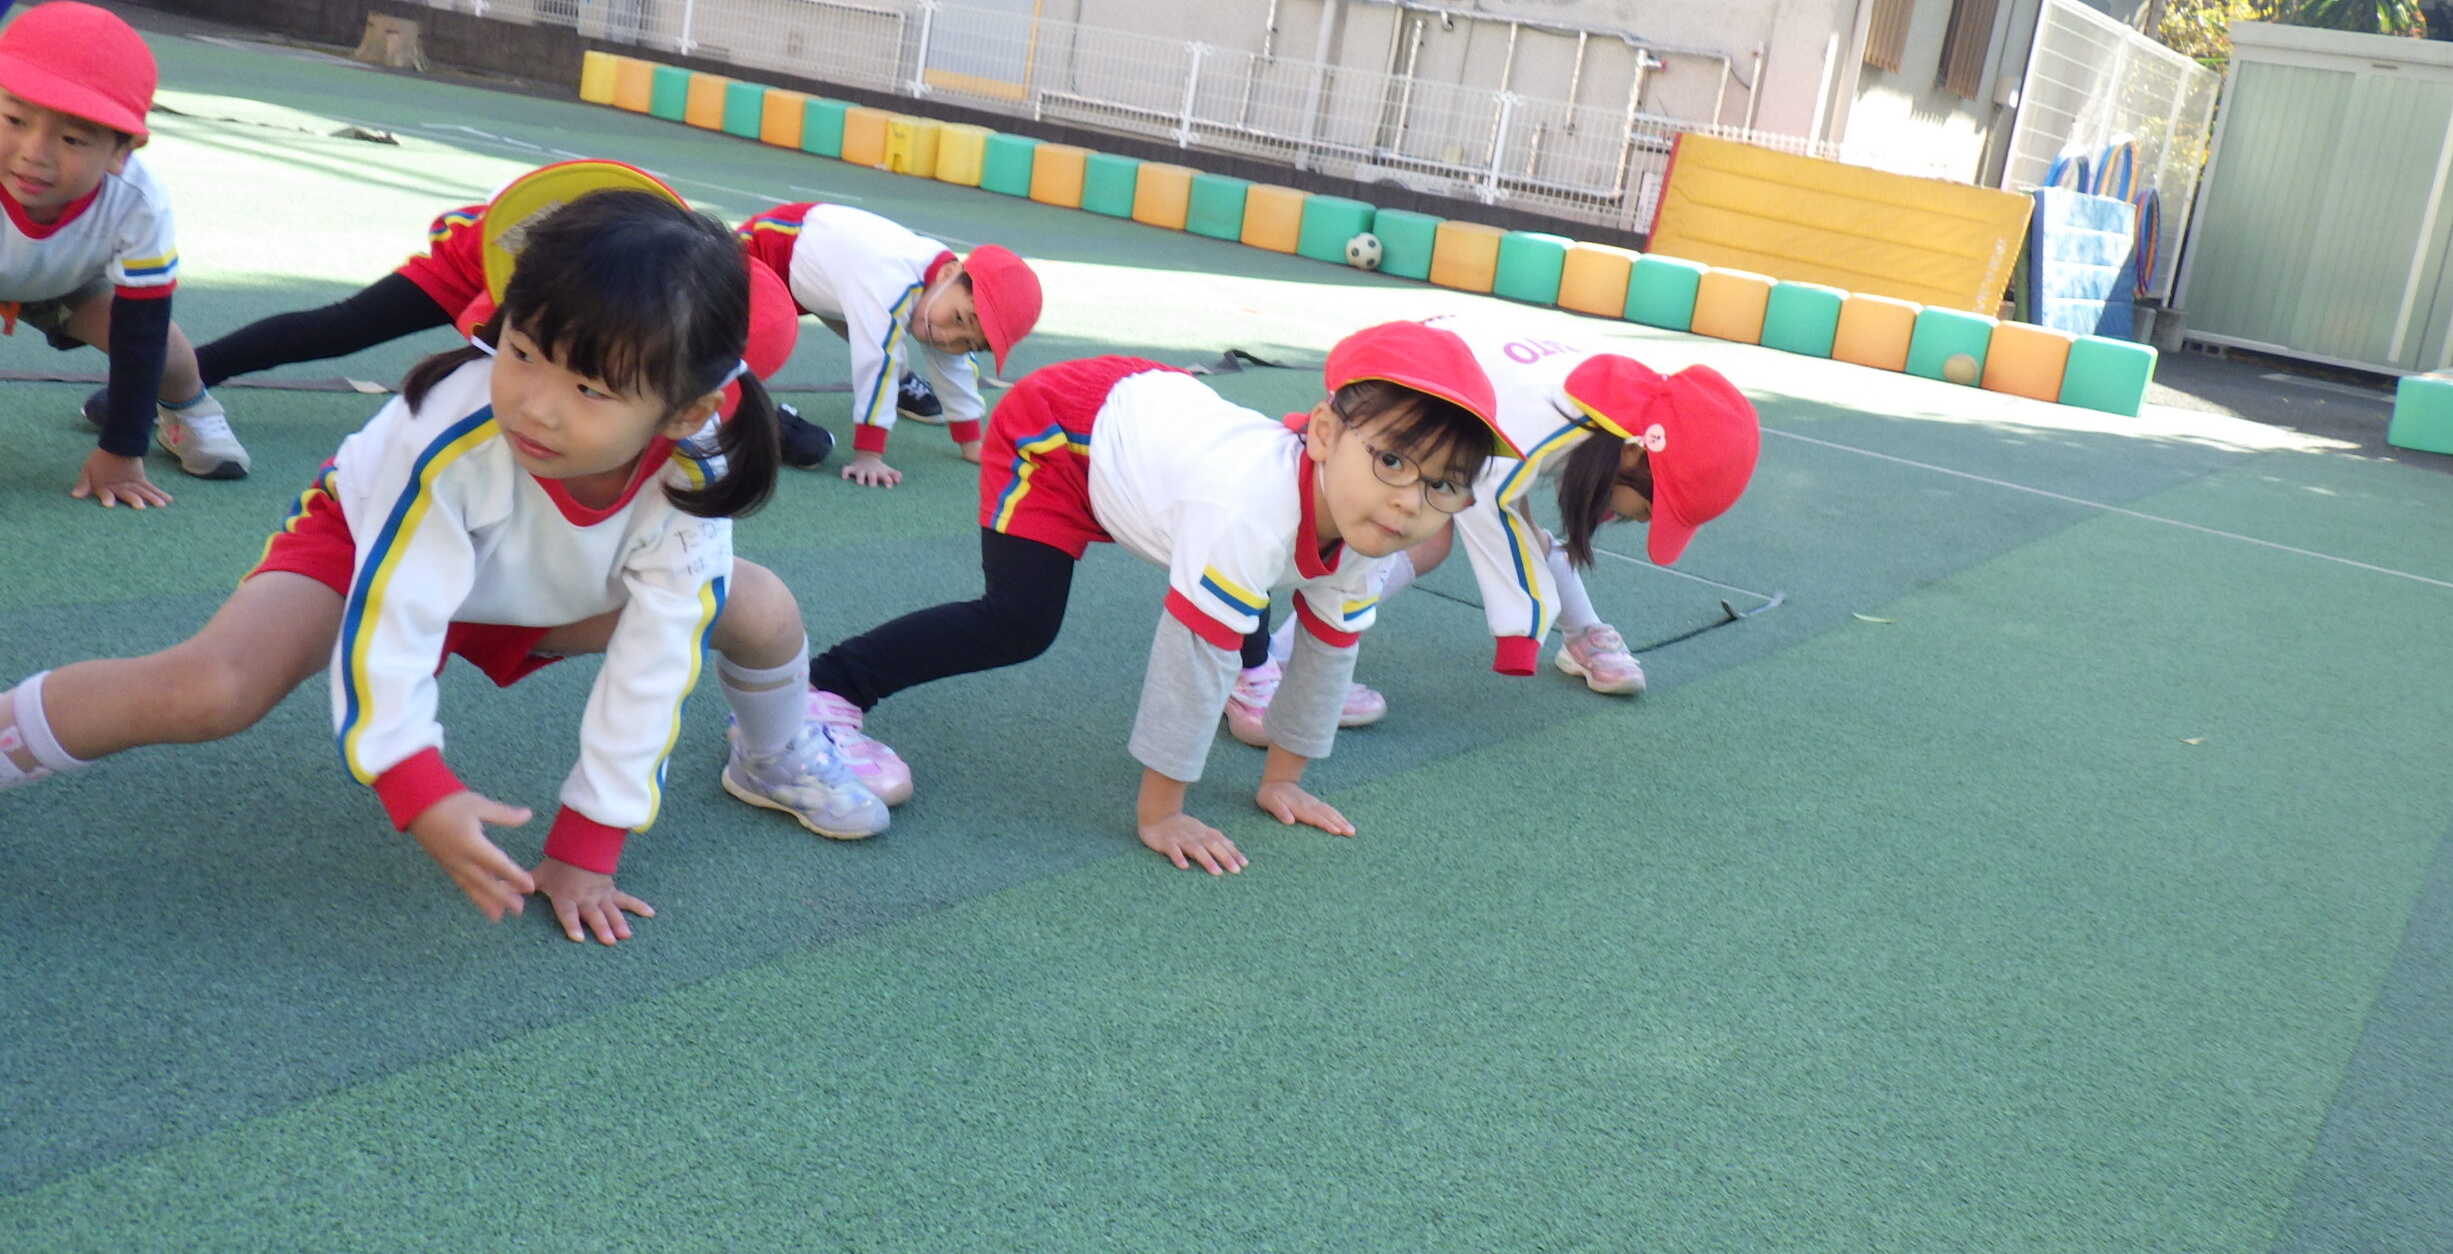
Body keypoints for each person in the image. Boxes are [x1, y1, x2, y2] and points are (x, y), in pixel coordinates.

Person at [0, 173, 886, 944]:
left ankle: (772, 754)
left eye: (589, 387)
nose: (535, 405)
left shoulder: (695, 470)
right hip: (372, 549)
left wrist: (588, 843)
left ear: (685, 412)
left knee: (756, 605)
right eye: (522, 352)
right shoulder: (450, 432)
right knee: (213, 689)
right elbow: (399, 610)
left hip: (545, 587)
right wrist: (416, 784)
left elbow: (654, 663)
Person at [801, 321, 1517, 873]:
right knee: (1019, 622)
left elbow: (1331, 650)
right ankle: (830, 685)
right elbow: (1190, 660)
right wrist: (1162, 814)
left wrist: (1283, 781)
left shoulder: (1371, 523)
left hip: (1164, 436)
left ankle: (1251, 676)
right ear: (1324, 434)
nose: (1411, 502)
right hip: (1063, 435)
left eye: (1443, 484)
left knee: (1260, 571)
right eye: (1391, 460)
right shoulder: (1246, 508)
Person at [1222, 313, 1760, 743]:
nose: (1645, 520)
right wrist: (1521, 629)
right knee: (1388, 530)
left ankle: (1582, 636)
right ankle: (1277, 664)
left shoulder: (1612, 408)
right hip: (1408, 388)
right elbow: (1493, 507)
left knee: (1443, 531)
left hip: (1461, 386)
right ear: (1636, 453)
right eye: (1654, 506)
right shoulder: (1540, 427)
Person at [122, 199, 850, 467]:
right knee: (343, 327)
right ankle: (169, 381)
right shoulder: (641, 276)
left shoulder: (711, 316)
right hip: (491, 262)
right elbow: (490, 340)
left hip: (594, 305)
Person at [1, 0, 250, 505]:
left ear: (122, 152)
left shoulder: (137, 202)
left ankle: (190, 412)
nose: (34, 152)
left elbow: (142, 329)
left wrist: (122, 447)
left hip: (62, 284)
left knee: (166, 351)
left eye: (73, 138)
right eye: (14, 119)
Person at [739, 201, 1042, 486]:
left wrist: (971, 443)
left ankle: (900, 381)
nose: (949, 338)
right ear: (949, 273)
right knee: (749, 344)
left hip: (823, 281)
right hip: (767, 248)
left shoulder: (944, 289)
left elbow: (956, 365)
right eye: (960, 320)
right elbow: (876, 360)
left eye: (969, 343)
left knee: (878, 328)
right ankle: (739, 410)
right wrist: (869, 455)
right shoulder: (892, 282)